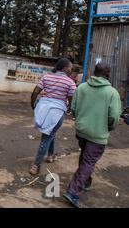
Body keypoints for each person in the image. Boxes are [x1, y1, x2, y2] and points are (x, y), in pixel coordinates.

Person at [63, 63, 122, 208]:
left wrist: (81, 122)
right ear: (108, 75)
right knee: (89, 161)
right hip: (97, 134)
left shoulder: (82, 87)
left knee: (85, 156)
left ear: (94, 72)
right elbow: (114, 117)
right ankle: (72, 191)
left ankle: (86, 181)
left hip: (81, 131)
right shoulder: (112, 93)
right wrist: (107, 127)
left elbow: (74, 108)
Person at [29, 58, 76, 175]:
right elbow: (72, 98)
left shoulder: (46, 77)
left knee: (50, 133)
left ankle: (50, 155)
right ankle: (36, 165)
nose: (71, 69)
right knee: (46, 137)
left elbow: (35, 93)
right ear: (65, 68)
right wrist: (70, 108)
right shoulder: (70, 82)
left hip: (43, 109)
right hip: (57, 112)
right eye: (70, 67)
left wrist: (33, 106)